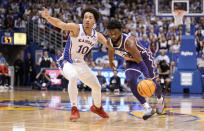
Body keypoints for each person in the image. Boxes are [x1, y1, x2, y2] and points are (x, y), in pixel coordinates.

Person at [40, 7, 112, 120]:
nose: (87, 20)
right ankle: (74, 108)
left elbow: (110, 45)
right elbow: (60, 23)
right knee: (73, 76)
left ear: (94, 21)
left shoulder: (97, 35)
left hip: (81, 63)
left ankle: (97, 107)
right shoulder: (76, 28)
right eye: (85, 17)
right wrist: (48, 18)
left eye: (90, 18)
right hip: (67, 61)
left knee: (97, 86)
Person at [107, 20, 164, 120]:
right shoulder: (109, 42)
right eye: (110, 33)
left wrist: (147, 77)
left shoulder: (129, 42)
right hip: (130, 61)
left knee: (153, 83)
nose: (113, 36)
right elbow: (111, 50)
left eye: (115, 33)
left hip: (144, 59)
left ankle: (160, 99)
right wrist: (111, 62)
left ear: (121, 31)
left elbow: (140, 61)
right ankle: (147, 108)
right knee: (131, 80)